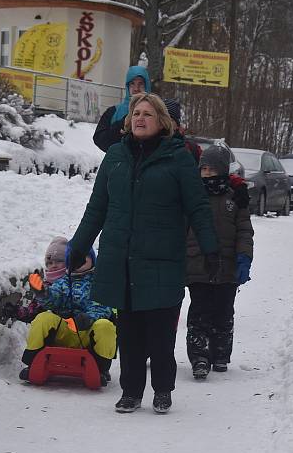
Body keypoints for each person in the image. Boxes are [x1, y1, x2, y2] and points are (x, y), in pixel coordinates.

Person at [68, 93, 219, 414]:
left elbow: (198, 207)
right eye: (136, 113)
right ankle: (131, 391)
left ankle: (162, 390)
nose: (140, 118)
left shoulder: (178, 158)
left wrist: (210, 248)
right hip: (123, 259)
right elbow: (97, 208)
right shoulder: (115, 157)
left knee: (161, 334)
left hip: (163, 258)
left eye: (147, 113)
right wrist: (78, 245)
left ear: (162, 121)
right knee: (130, 333)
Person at [186, 146, 255, 380]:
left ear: (223, 170)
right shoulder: (192, 194)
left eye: (212, 169)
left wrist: (244, 257)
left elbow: (245, 230)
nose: (207, 173)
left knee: (224, 311)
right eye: (203, 168)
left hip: (227, 266)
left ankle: (221, 354)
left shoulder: (235, 196)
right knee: (199, 311)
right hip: (198, 263)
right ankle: (199, 357)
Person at [17, 236, 116, 386]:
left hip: (87, 331)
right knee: (44, 318)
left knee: (105, 326)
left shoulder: (99, 282)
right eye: (76, 258)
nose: (80, 261)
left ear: (92, 260)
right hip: (66, 330)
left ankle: (101, 368)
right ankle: (33, 361)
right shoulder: (63, 282)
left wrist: (89, 318)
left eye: (84, 258)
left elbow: (101, 305)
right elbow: (54, 299)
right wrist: (43, 292)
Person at [93, 65, 151, 152]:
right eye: (132, 83)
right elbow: (100, 139)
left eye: (140, 84)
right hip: (118, 163)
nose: (136, 88)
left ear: (146, 85)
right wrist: (123, 124)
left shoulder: (156, 112)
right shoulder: (113, 112)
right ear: (127, 86)